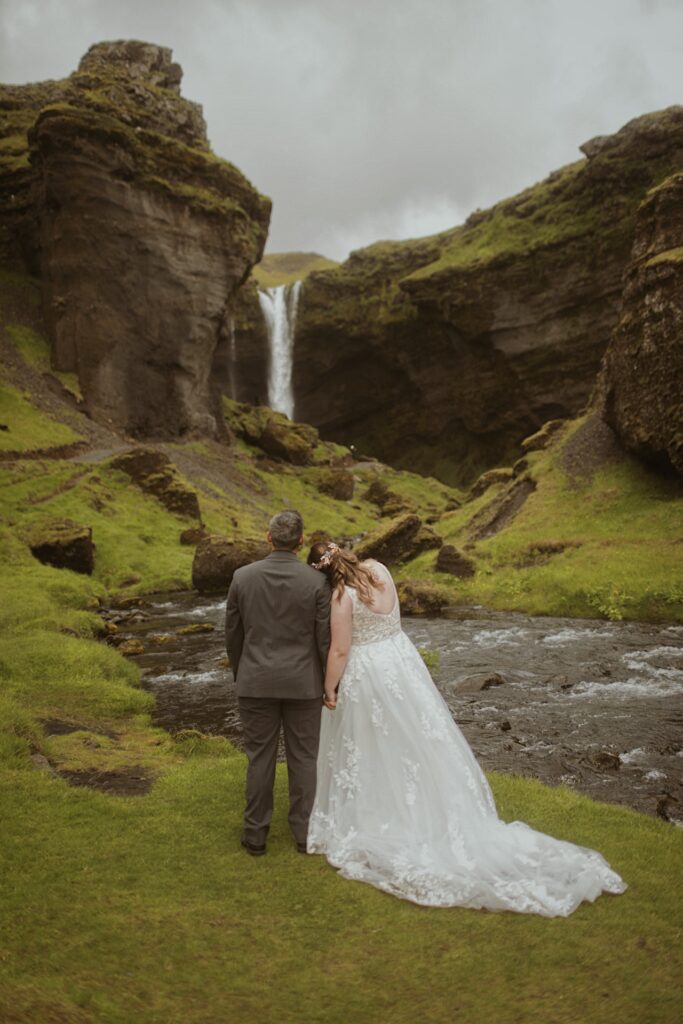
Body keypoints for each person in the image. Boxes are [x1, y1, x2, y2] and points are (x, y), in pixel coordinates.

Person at [305, 541, 627, 916]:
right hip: (401, 661)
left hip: (370, 671)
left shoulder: (341, 597)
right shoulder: (380, 570)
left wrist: (329, 688)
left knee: (374, 742)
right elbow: (395, 620)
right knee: (417, 739)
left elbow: (340, 650)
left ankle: (386, 813)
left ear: (324, 572)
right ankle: (429, 805)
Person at [225, 511, 331, 856]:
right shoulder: (316, 582)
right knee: (304, 758)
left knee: (259, 758)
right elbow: (323, 640)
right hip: (304, 684)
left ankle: (255, 835)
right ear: (301, 541)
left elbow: (233, 634)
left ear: (268, 538)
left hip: (255, 681)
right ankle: (304, 835)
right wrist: (329, 682)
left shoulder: (242, 577)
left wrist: (242, 673)